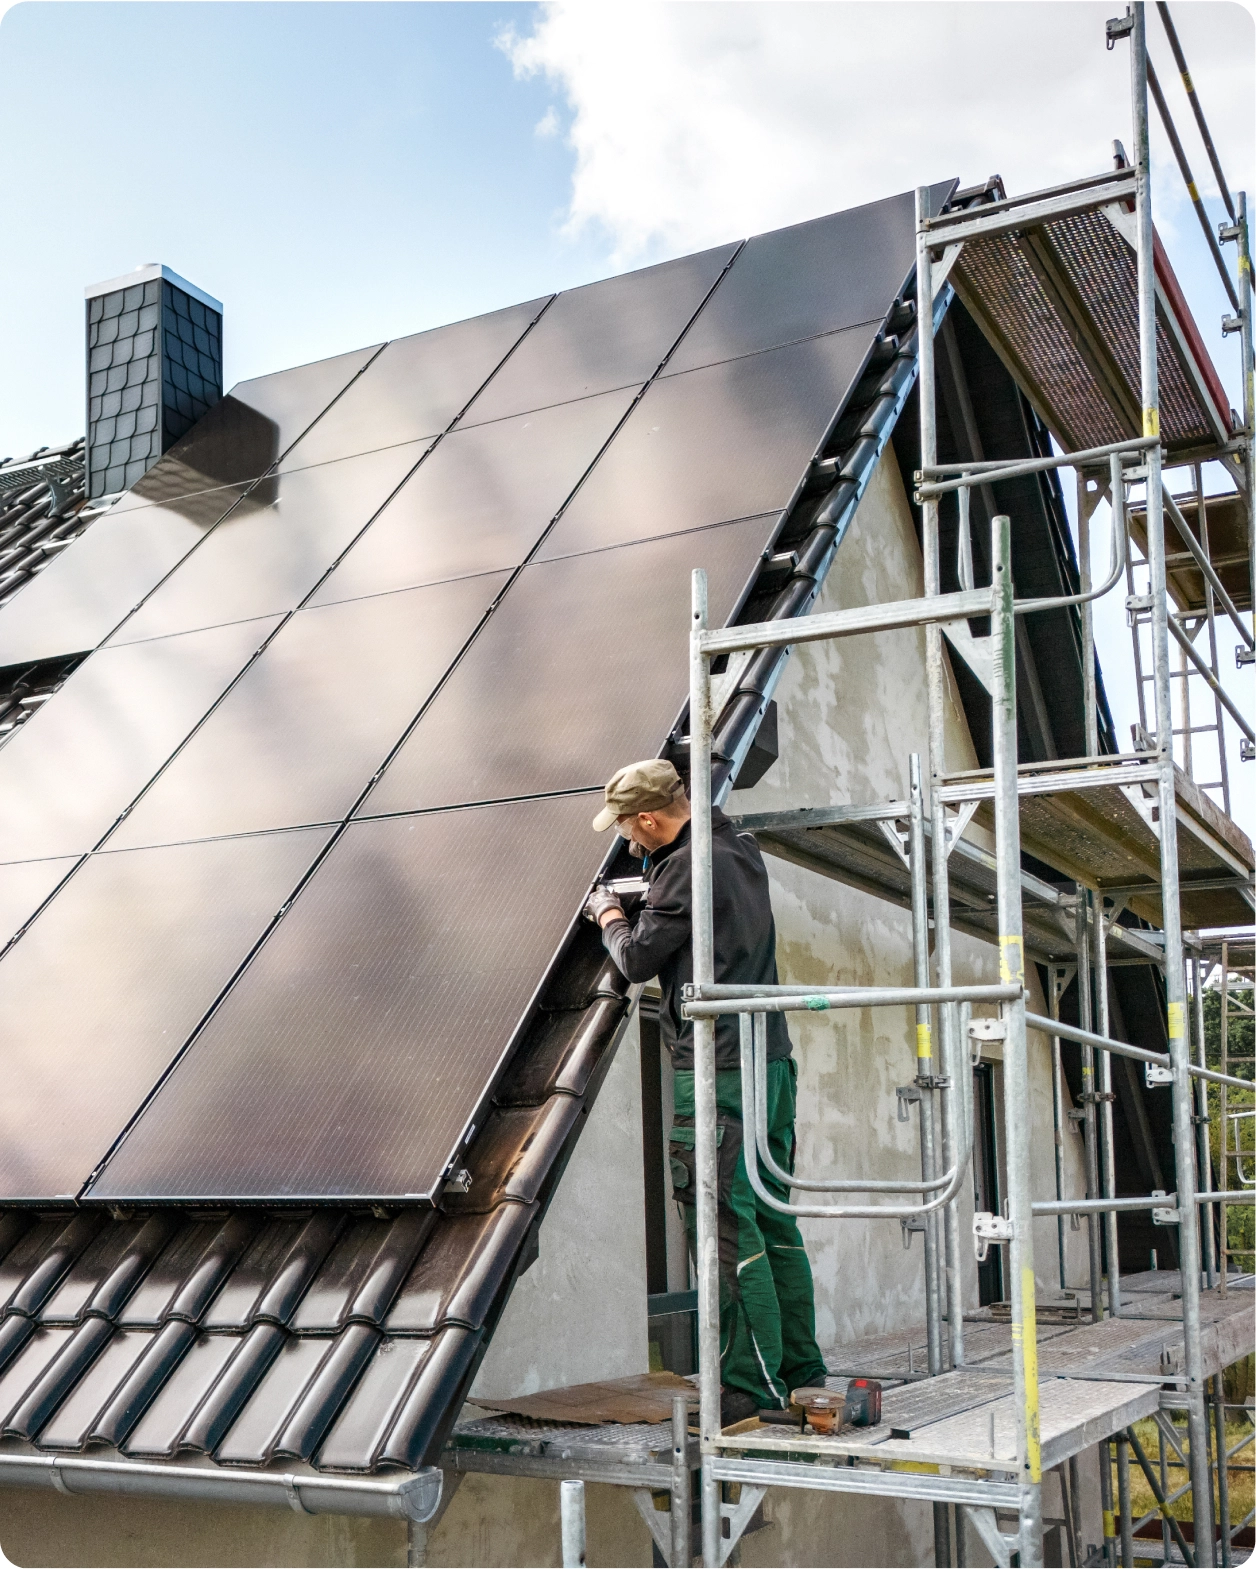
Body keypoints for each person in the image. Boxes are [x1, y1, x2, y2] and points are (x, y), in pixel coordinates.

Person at [584, 758, 828, 1426]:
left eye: (631, 830)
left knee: (722, 1220)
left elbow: (636, 959)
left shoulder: (685, 867)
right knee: (773, 1217)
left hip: (718, 1066)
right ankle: (802, 1371)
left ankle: (749, 1385)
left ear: (649, 818)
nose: (631, 843)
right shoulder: (741, 850)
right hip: (769, 1060)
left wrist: (610, 912)